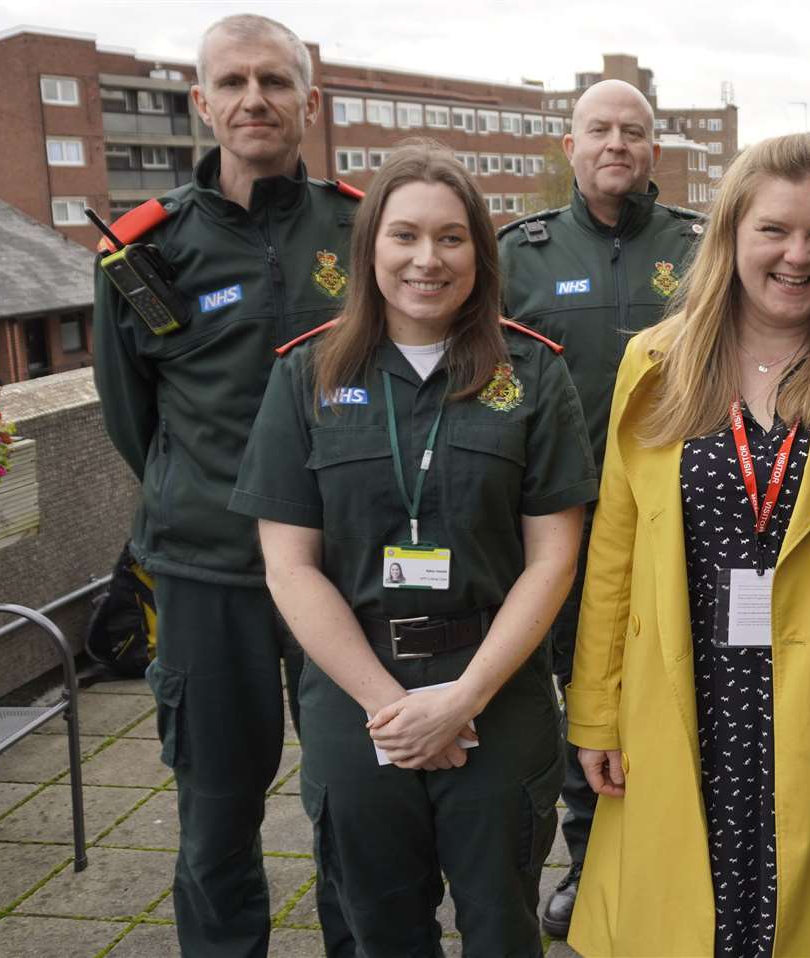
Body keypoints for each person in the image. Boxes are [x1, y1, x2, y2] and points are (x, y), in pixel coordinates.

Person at [563, 132, 810, 956]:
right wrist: (596, 714)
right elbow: (613, 555)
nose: (798, 255)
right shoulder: (655, 366)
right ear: (732, 236)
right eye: (775, 230)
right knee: (689, 916)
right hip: (687, 695)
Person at [230, 141, 597, 955]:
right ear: (370, 250)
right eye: (404, 236)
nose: (427, 260)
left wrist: (460, 701)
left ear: (480, 252)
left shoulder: (531, 374)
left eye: (451, 238)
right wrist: (389, 711)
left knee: (503, 928)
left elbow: (554, 559)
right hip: (359, 703)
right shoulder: (308, 375)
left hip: (495, 697)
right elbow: (289, 564)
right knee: (379, 931)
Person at [90, 14, 357, 955]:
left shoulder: (362, 228)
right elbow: (132, 419)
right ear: (201, 103)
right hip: (210, 573)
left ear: (309, 102)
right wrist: (213, 500)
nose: (256, 99)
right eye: (233, 83)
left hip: (345, 568)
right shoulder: (144, 252)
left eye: (276, 81)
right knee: (215, 816)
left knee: (354, 809)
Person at [494, 78, 705, 940]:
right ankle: (587, 866)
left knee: (671, 692)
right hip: (553, 522)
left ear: (653, 150)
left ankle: (677, 857)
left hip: (673, 523)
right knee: (578, 697)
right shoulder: (521, 254)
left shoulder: (698, 247)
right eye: (599, 131)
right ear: (570, 147)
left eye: (634, 132)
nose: (617, 144)